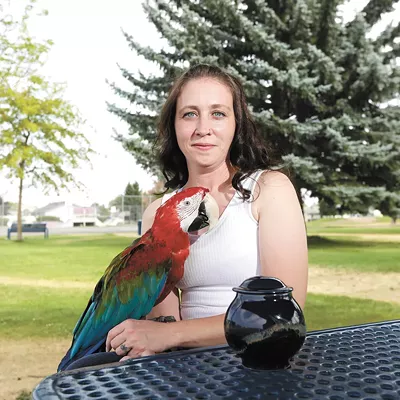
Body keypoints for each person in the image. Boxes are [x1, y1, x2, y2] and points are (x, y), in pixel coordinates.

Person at [103, 64, 308, 363]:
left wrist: (169, 335)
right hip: (187, 367)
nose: (203, 128)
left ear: (237, 124)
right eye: (189, 114)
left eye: (218, 113)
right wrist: (156, 338)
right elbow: (162, 326)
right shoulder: (158, 213)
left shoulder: (269, 189)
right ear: (174, 125)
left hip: (261, 362)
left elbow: (283, 314)